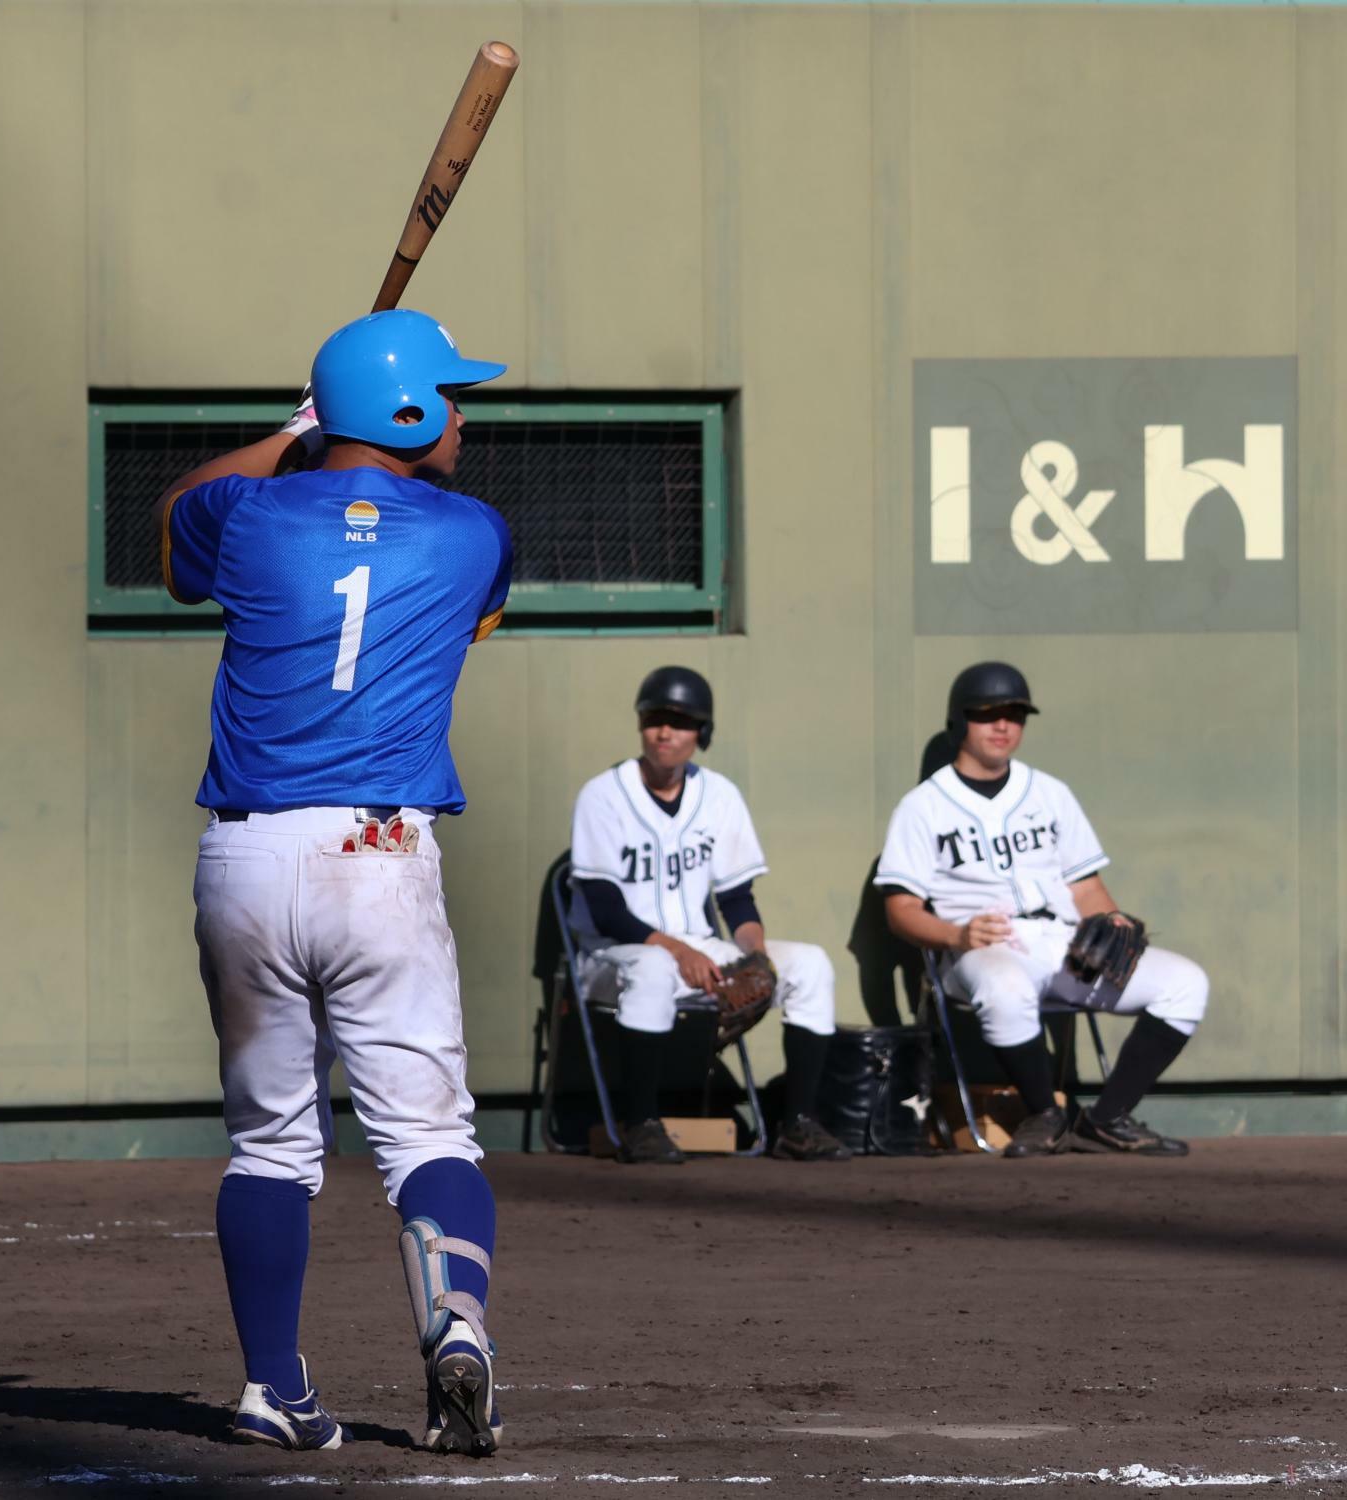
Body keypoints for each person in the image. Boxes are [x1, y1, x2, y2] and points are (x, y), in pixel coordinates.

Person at [157, 309, 510, 1457]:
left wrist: (291, 434)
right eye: (447, 397)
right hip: (379, 858)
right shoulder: (472, 534)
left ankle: (271, 1387)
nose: (462, 415)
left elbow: (171, 528)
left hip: (245, 857)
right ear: (404, 412)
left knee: (269, 1145)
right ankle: (455, 1332)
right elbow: (469, 620)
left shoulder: (246, 512)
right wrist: (335, 447)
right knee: (424, 1137)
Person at [877, 662, 1207, 1157]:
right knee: (1004, 985)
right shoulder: (922, 807)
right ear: (958, 722)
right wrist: (956, 937)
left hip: (1062, 941)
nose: (1003, 725)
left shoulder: (1050, 793)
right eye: (987, 714)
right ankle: (1044, 1114)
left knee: (1186, 983)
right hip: (981, 946)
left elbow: (1085, 885)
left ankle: (1106, 1118)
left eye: (1014, 714)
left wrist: (1111, 920)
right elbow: (899, 909)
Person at [568, 667, 847, 1164]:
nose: (666, 731)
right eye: (656, 718)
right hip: (614, 955)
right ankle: (641, 1123)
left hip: (699, 947)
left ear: (703, 733)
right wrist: (677, 951)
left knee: (810, 965)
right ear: (640, 725)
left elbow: (737, 899)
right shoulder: (603, 795)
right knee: (653, 969)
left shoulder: (719, 795)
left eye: (681, 722)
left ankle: (798, 1123)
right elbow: (605, 910)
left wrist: (757, 955)